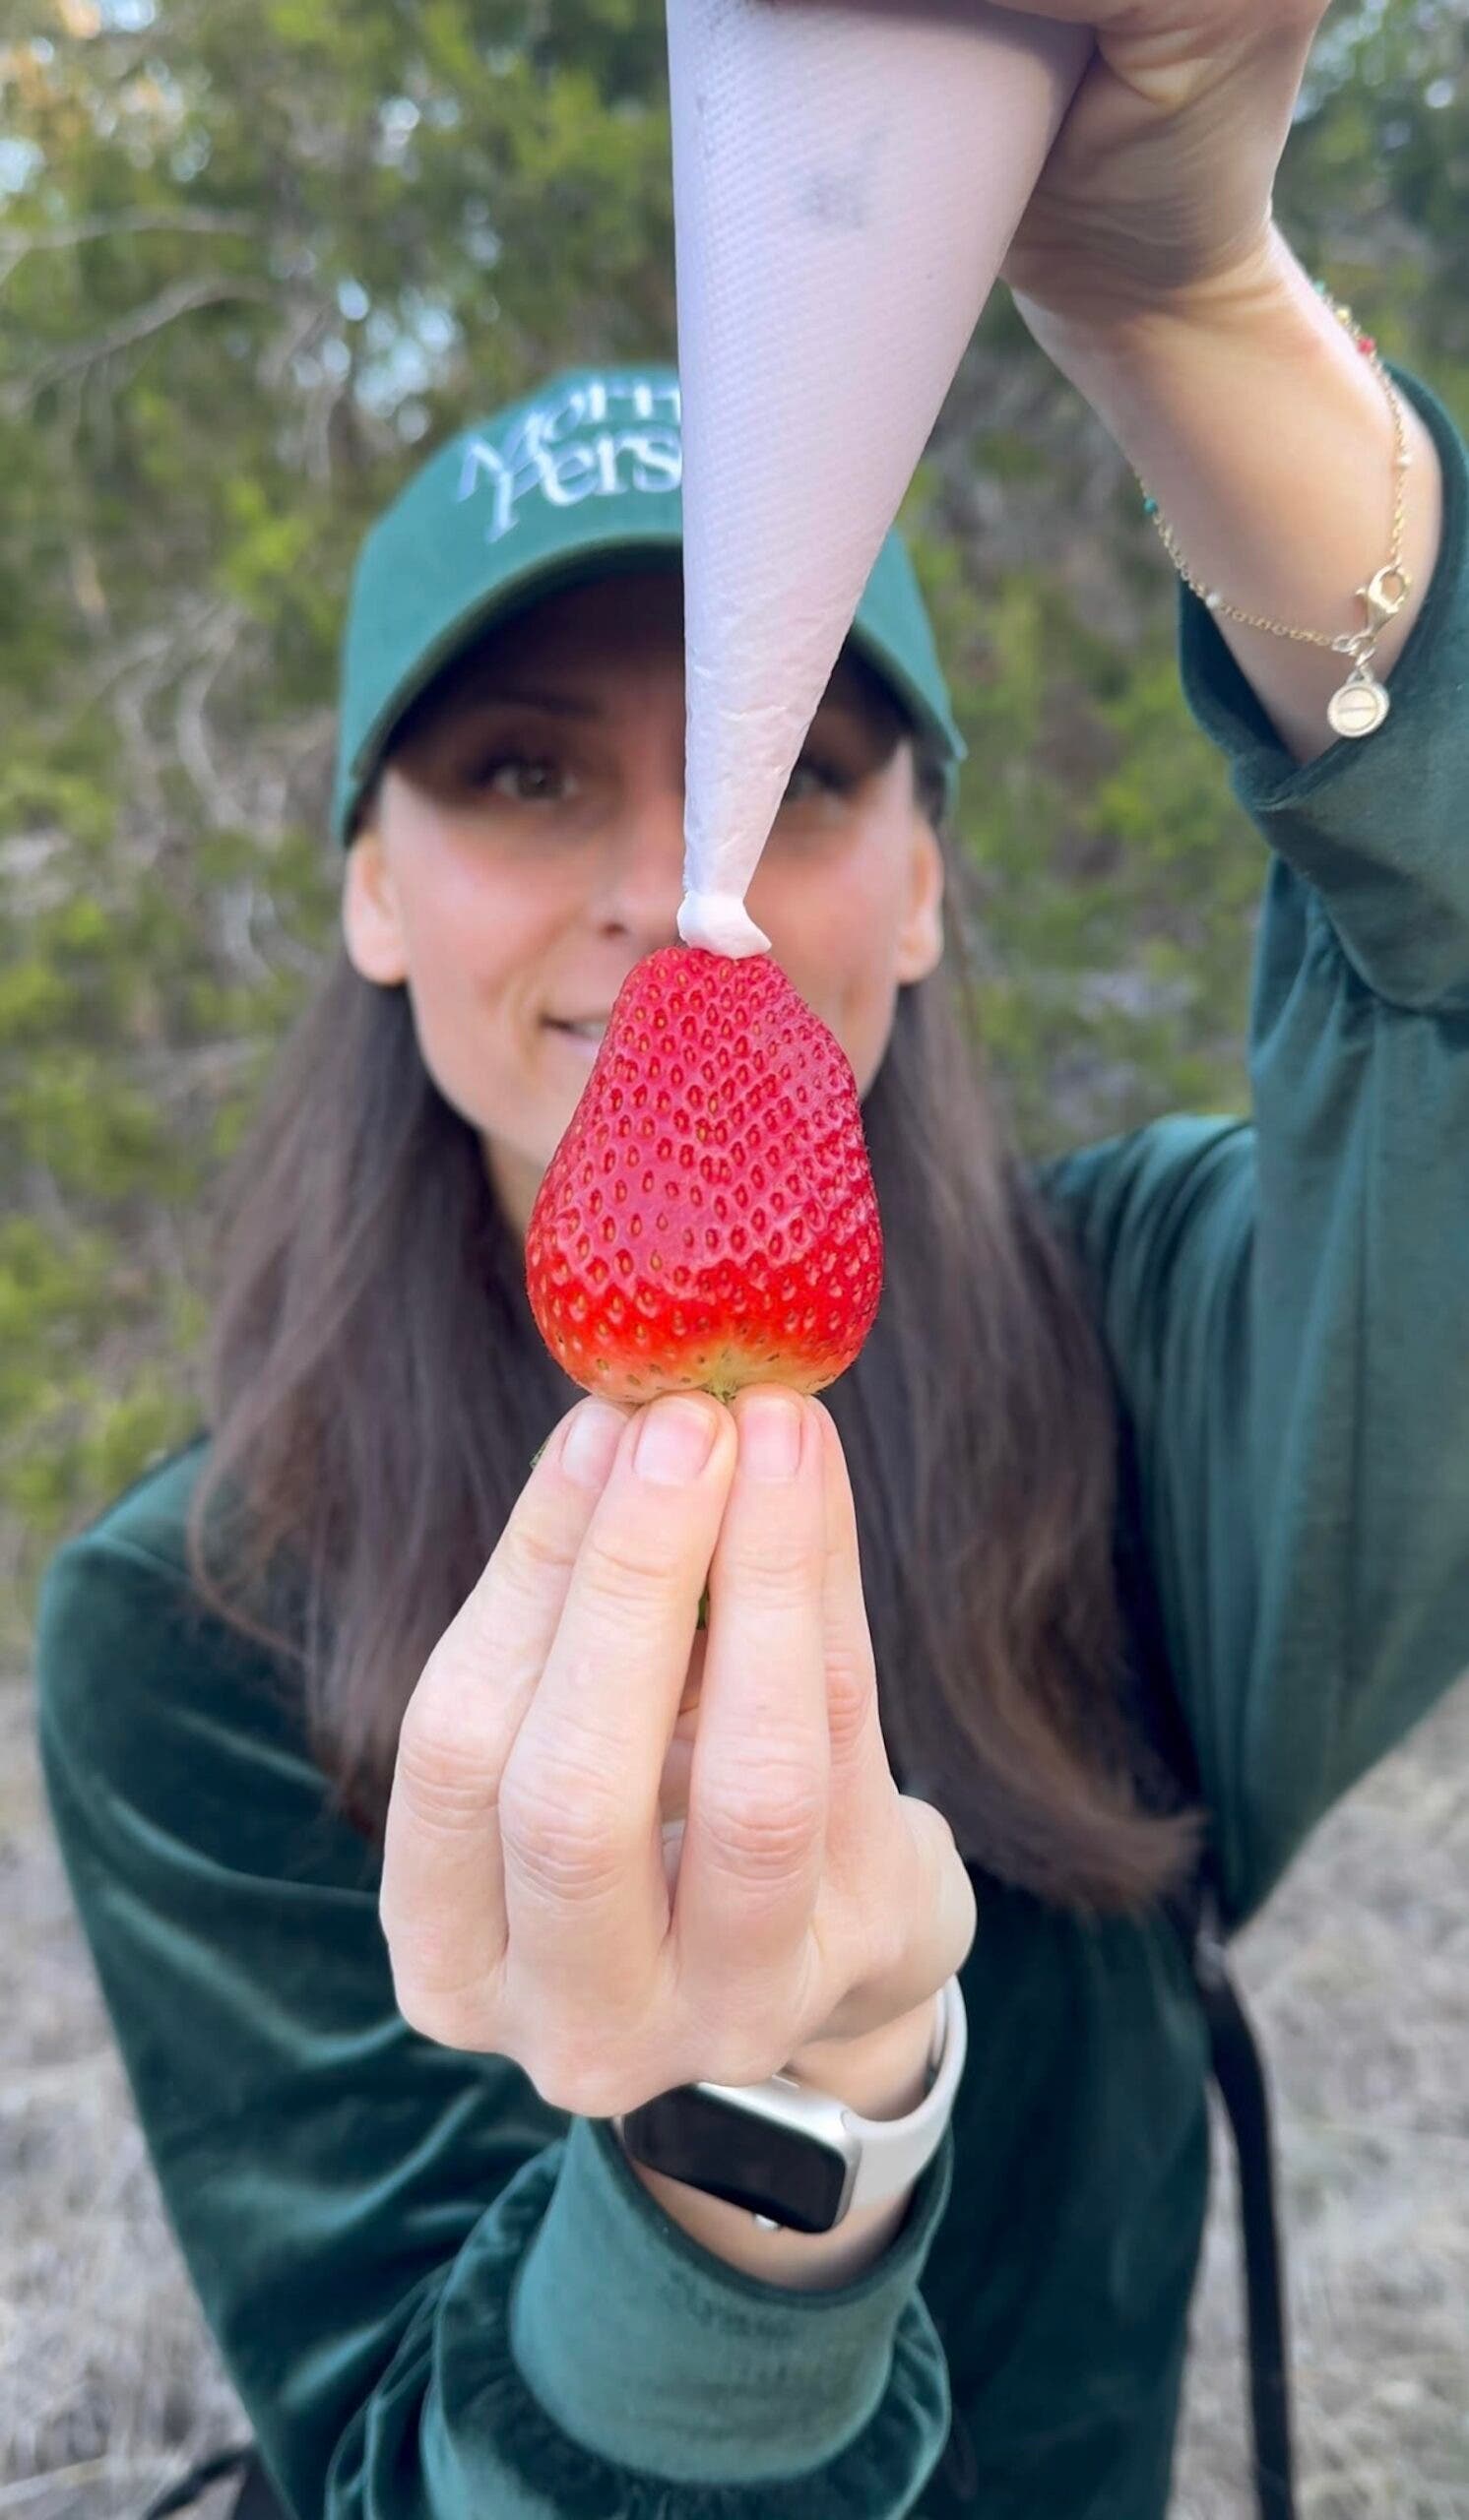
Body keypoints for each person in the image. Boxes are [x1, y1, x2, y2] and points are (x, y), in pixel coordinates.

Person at [32, 3, 1468, 2514]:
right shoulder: (187, 1625)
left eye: (788, 764)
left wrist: (1185, 305)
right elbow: (389, 2458)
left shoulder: (1146, 1353)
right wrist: (754, 2182)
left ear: (925, 878)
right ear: (369, 887)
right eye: (513, 771)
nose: (644, 887)